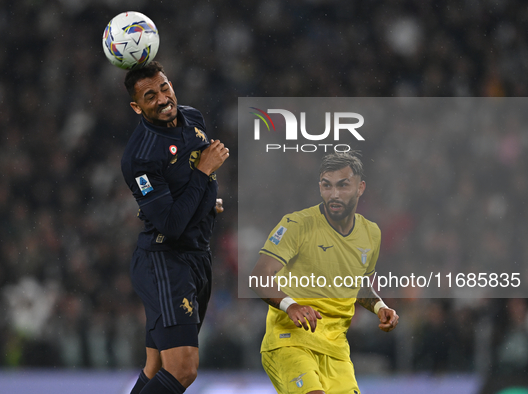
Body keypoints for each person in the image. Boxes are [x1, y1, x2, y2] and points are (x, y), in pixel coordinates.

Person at [120, 61, 229, 394]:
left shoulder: (193, 118)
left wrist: (208, 203)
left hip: (196, 256)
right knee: (183, 370)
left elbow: (191, 187)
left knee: (156, 369)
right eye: (149, 96)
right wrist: (204, 173)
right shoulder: (139, 157)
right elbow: (170, 223)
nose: (163, 98)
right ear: (136, 107)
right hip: (164, 260)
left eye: (164, 87)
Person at [250, 151, 398, 394]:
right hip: (291, 341)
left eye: (343, 185)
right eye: (326, 186)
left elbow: (356, 283)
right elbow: (259, 275)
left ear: (360, 188)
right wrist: (292, 306)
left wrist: (380, 306)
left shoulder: (371, 233)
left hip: (336, 350)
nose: (334, 194)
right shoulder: (297, 224)